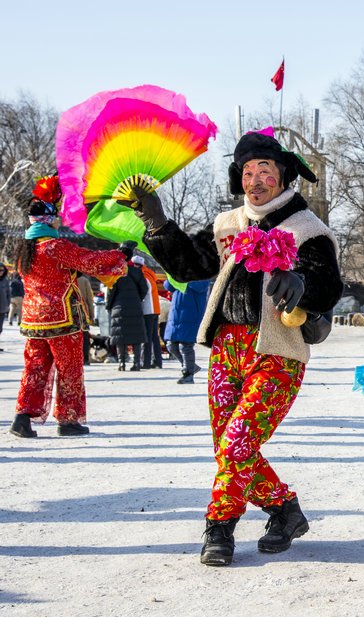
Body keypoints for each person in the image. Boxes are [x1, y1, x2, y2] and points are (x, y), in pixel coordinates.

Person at [126, 128, 342, 566]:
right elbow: (191, 264)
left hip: (277, 349)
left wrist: (301, 282)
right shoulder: (228, 224)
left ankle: (220, 527)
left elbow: (327, 284)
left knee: (238, 440)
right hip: (227, 348)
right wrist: (157, 222)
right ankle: (284, 509)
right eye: (247, 171)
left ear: (283, 176)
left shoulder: (307, 229)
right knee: (228, 444)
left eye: (265, 170)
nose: (255, 180)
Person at [9, 176, 126, 438]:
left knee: (35, 368)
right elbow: (90, 261)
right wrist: (122, 254)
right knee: (69, 368)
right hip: (62, 318)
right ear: (50, 219)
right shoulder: (55, 246)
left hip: (33, 319)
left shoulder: (24, 250)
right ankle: (68, 420)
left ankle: (22, 418)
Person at [106, 242, 147, 371]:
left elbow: (110, 291)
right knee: (137, 335)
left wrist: (109, 305)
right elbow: (144, 289)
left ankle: (122, 363)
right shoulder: (137, 272)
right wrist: (137, 299)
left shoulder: (116, 272)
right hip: (135, 305)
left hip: (119, 307)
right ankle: (136, 363)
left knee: (120, 336)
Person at [163, 277, 209, 384]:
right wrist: (174, 276)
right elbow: (167, 285)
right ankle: (191, 366)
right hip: (176, 313)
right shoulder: (179, 274)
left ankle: (188, 374)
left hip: (191, 313)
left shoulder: (201, 273)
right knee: (171, 345)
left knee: (186, 346)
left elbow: (202, 286)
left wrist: (185, 279)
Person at [133, 256, 163, 368]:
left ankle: (146, 362)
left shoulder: (143, 275)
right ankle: (158, 361)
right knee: (155, 336)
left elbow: (145, 291)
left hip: (148, 309)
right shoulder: (149, 273)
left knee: (147, 337)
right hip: (155, 308)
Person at [76, 272, 95, 365]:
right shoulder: (84, 281)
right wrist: (92, 315)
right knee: (84, 335)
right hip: (83, 311)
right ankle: (85, 358)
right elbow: (89, 299)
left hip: (69, 311)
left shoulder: (66, 279)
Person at [0, 265, 10, 350]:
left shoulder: (5, 281)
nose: (1, 272)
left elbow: (8, 294)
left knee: (0, 329)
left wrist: (7, 304)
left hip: (2, 309)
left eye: (2, 270)